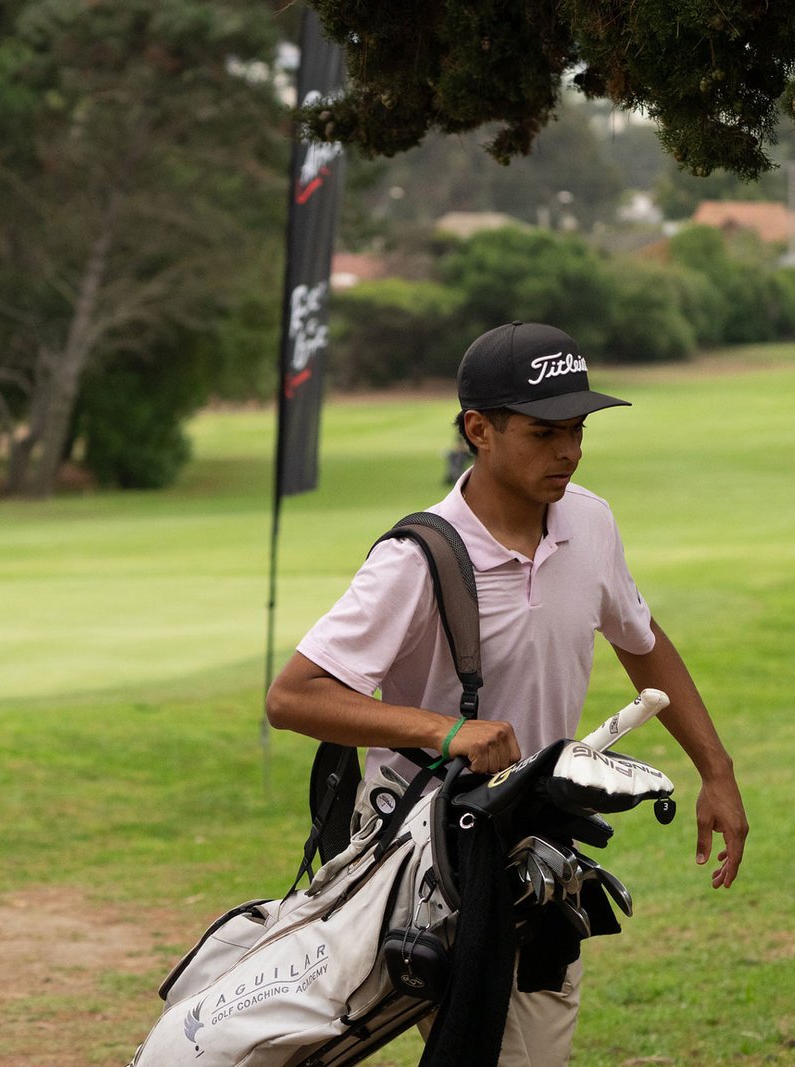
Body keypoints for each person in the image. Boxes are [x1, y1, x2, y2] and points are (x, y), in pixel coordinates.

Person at [266, 321, 749, 1067]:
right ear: (478, 429)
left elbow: (642, 640)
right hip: (422, 863)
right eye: (544, 431)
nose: (569, 450)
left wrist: (716, 771)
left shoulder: (590, 520)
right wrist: (444, 730)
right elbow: (293, 696)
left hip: (533, 857)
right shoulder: (417, 558)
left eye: (579, 429)